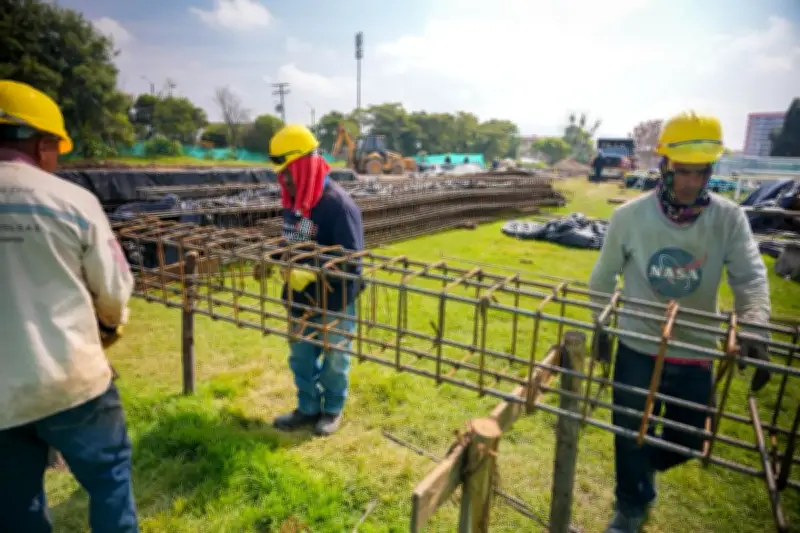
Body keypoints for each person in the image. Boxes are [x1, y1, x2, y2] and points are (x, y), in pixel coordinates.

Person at [588, 111, 772, 533]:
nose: (691, 182)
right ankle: (631, 506)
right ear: (665, 166)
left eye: (700, 171)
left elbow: (749, 277)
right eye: (683, 171)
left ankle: (644, 466)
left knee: (689, 439)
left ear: (711, 170)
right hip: (638, 345)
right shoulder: (629, 217)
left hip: (694, 346)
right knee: (628, 430)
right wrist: (602, 325)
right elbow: (602, 279)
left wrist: (754, 326)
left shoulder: (728, 218)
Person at [0, 80, 138, 532]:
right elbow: (113, 290)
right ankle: (313, 406)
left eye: (287, 168)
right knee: (108, 477)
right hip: (68, 377)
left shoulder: (327, 201)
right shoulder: (70, 201)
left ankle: (322, 409)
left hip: (4, 395)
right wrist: (110, 325)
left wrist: (308, 259)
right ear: (42, 143)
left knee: (14, 503)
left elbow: (329, 241)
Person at [268, 124, 365, 437]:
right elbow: (300, 238)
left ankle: (332, 408)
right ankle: (307, 408)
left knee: (335, 358)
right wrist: (278, 255)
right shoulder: (298, 202)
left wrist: (311, 271)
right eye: (281, 174)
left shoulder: (338, 205)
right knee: (301, 355)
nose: (284, 180)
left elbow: (353, 261)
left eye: (288, 172)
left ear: (304, 166)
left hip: (334, 299)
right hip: (300, 298)